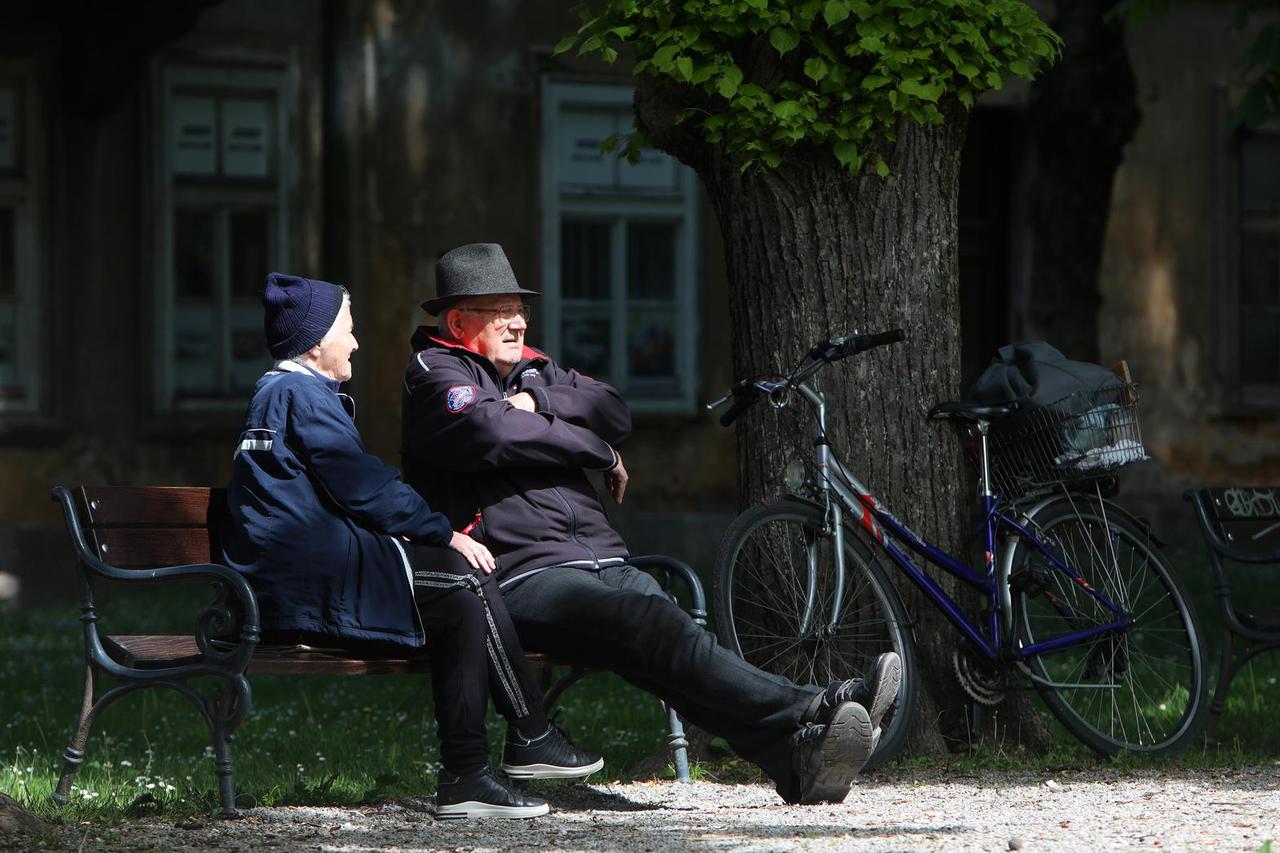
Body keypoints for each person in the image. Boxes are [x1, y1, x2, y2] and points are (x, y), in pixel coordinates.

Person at [400, 243, 903, 805]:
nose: (518, 321)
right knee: (649, 623)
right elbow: (492, 433)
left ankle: (793, 759)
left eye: (520, 309)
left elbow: (615, 410)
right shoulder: (435, 372)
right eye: (500, 310)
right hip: (517, 574)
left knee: (671, 639)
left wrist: (538, 399)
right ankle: (817, 704)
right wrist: (592, 448)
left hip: (599, 558)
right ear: (457, 320)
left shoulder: (538, 369)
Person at [221, 272, 602, 820]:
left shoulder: (284, 393)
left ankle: (485, 763)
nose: (355, 342)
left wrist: (427, 530)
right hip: (303, 584)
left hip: (299, 572)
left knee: (458, 585)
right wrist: (440, 531)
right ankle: (513, 744)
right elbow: (360, 486)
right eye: (346, 331)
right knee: (463, 576)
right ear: (313, 341)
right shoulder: (298, 395)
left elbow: (349, 488)